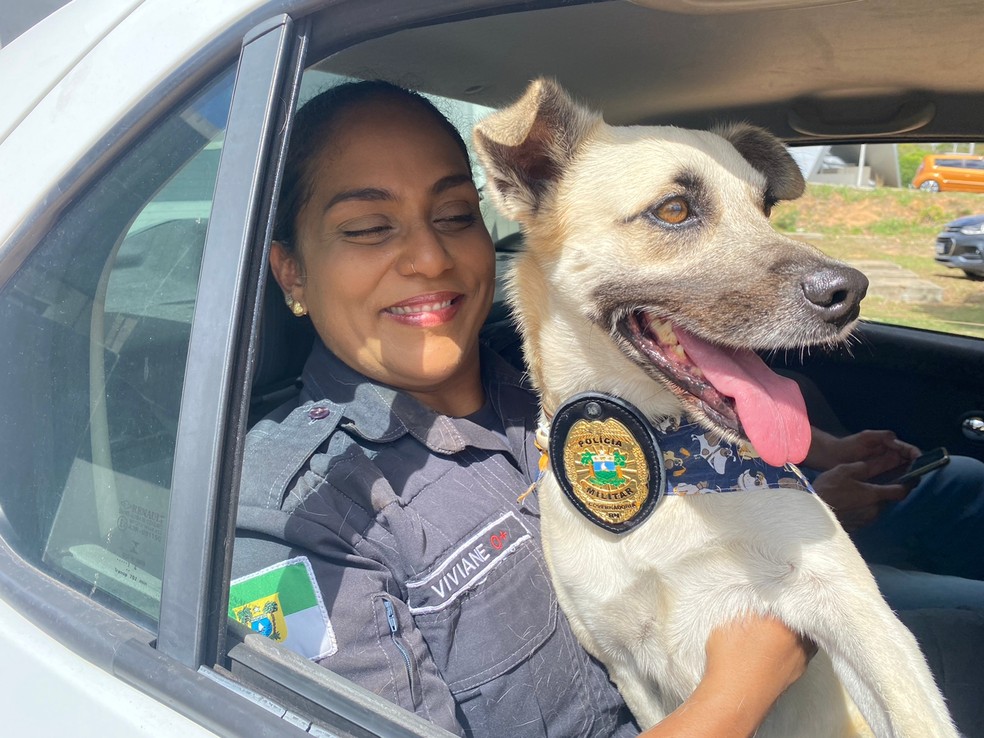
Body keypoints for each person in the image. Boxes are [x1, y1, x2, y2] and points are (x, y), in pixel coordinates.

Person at [231, 79, 814, 738]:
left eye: (454, 214)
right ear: (291, 272)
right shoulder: (305, 519)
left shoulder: (546, 384)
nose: (430, 257)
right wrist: (737, 695)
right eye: (369, 228)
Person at [804, 427, 984, 610]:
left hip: (798, 487)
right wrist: (811, 514)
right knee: (977, 609)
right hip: (784, 570)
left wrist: (831, 450)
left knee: (966, 478)